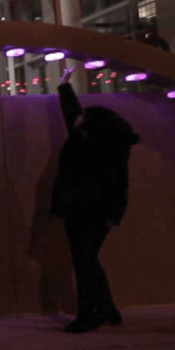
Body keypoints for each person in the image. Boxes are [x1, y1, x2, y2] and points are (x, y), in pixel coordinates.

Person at [51, 65, 139, 333]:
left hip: (93, 214)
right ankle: (107, 308)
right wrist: (64, 84)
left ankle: (89, 314)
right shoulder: (82, 138)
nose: (78, 119)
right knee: (87, 261)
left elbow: (119, 186)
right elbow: (71, 112)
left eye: (84, 118)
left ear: (94, 126)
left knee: (84, 262)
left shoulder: (108, 150)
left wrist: (114, 214)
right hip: (79, 211)